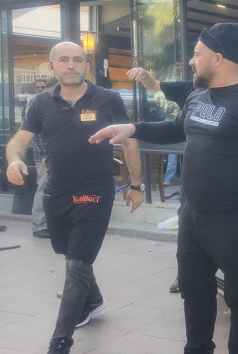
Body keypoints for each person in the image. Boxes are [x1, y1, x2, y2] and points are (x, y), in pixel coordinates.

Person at [89, 22, 238, 354]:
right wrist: (131, 128)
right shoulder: (199, 95)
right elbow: (175, 127)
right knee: (194, 292)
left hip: (236, 223)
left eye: (197, 54)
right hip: (192, 219)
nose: (191, 61)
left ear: (218, 58)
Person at [5, 41, 145, 354]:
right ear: (52, 67)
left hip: (95, 192)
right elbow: (19, 141)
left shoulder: (107, 99)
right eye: (64, 60)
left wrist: (137, 185)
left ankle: (60, 341)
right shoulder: (40, 103)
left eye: (78, 60)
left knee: (78, 264)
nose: (72, 65)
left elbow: (130, 143)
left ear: (86, 66)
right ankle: (93, 300)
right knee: (69, 256)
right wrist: (14, 160)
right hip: (56, 193)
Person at [127, 66, 195, 293]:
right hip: (194, 176)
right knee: (187, 227)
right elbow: (154, 85)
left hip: (225, 182)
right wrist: (145, 76)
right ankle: (184, 275)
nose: (192, 61)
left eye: (198, 55)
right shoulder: (190, 88)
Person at [25, 76, 59, 239]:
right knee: (43, 187)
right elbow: (36, 133)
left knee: (52, 188)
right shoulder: (39, 101)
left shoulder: (54, 99)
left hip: (55, 154)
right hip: (45, 155)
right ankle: (39, 225)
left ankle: (51, 223)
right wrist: (45, 155)